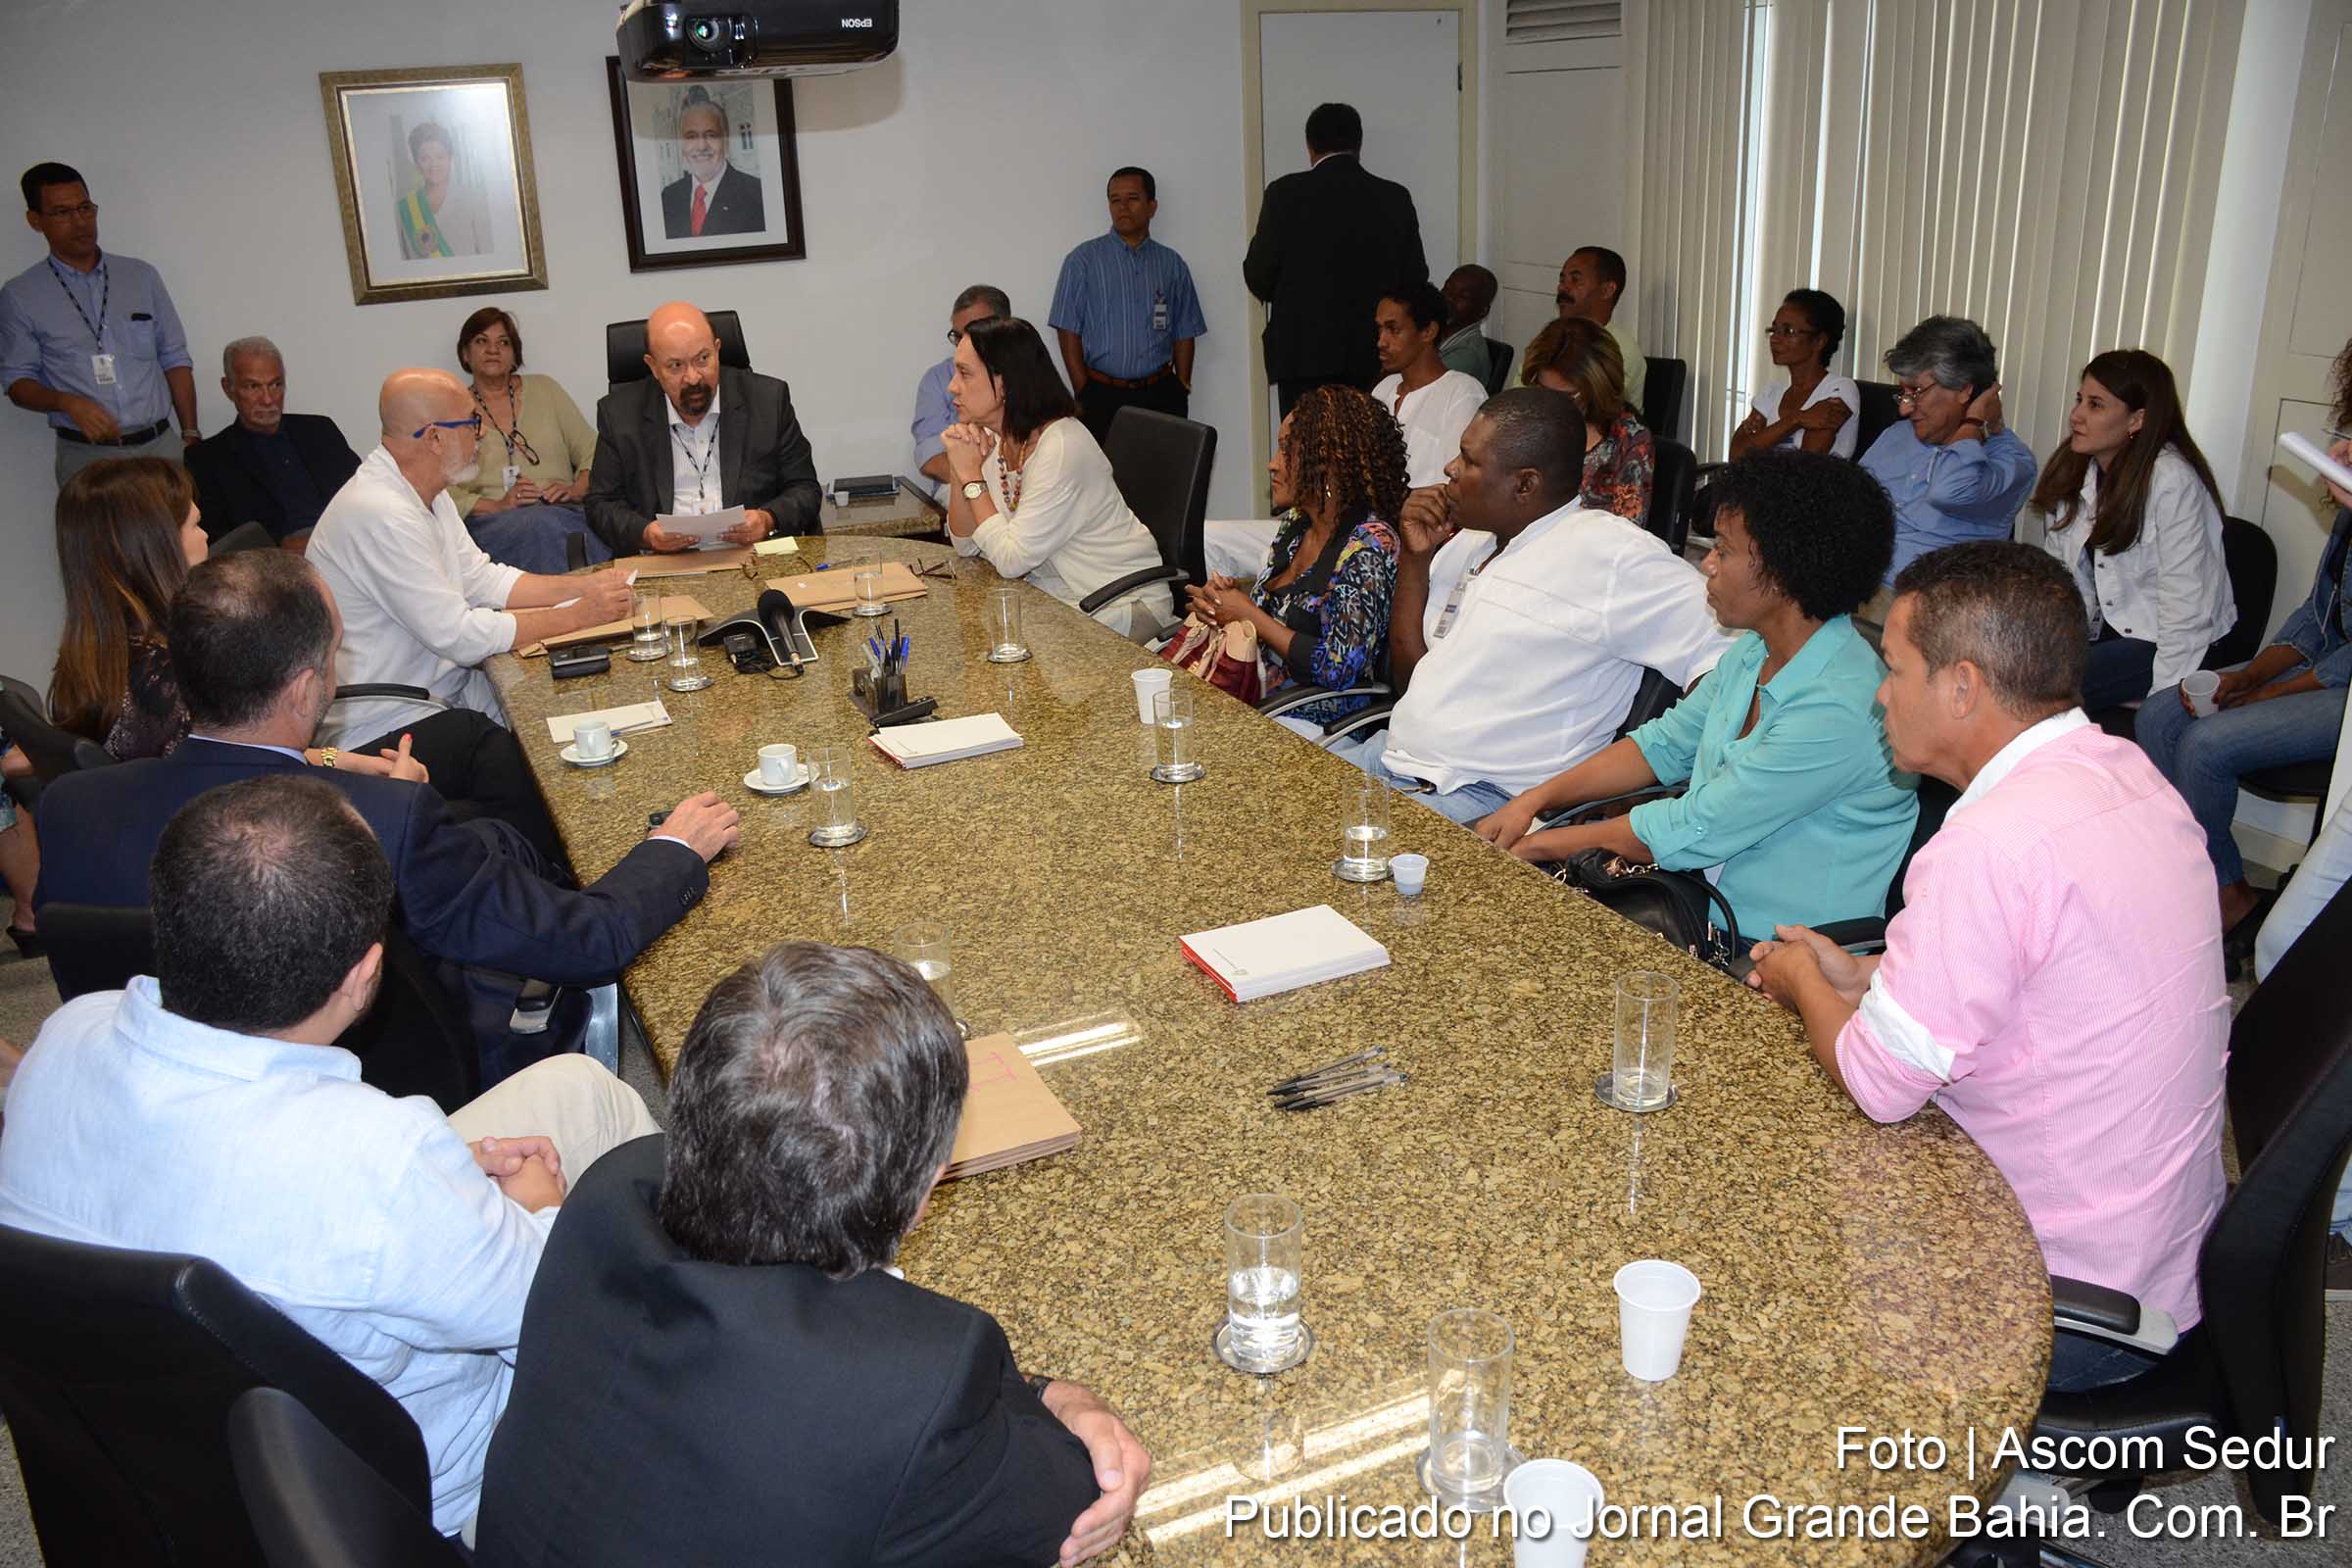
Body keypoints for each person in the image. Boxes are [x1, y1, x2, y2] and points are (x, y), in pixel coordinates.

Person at [0, 771, 664, 1539]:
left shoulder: (70, 1032)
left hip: (164, 1450)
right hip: (425, 1493)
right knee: (604, 1245)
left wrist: (437, 1187)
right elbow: (555, 1308)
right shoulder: (374, 1158)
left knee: (582, 1091)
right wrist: (543, 1206)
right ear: (363, 976)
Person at [474, 942, 1148, 1567]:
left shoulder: (614, 1190)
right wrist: (1067, 1399)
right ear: (926, 1184)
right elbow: (1071, 1499)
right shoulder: (911, 1387)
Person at [1747, 542, 2228, 1394]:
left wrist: (1800, 980)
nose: (1879, 692)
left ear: (1961, 686)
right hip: (2164, 1264)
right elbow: (2030, 977)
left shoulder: (1989, 841)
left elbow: (1879, 1082)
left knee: (1759, 1249)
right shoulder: (2128, 777)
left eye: (1892, 668)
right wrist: (1864, 977)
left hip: (2052, 1299)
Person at [33, 550, 740, 1083]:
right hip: (379, 1102)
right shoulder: (377, 822)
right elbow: (585, 941)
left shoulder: (69, 808)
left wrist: (324, 765)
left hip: (149, 1090)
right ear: (310, 687)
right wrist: (675, 845)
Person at [1475, 450, 1916, 935]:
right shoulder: (1754, 651)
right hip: (1695, 910)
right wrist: (1531, 803)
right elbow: (1662, 747)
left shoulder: (1840, 705)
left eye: (1723, 551)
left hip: (1779, 955)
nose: (1707, 564)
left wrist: (1540, 843)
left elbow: (1693, 828)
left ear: (1784, 569)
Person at [1329, 388, 1729, 824]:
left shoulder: (1610, 554)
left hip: (1485, 799)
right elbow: (1410, 682)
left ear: (1524, 484)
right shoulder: (1469, 542)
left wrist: (1654, 785)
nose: (1450, 469)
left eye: (1468, 460)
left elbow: (1730, 658)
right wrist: (1414, 559)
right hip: (1390, 761)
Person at [308, 368, 635, 751]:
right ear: (434, 437)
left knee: (566, 714)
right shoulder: (379, 511)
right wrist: (577, 616)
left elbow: (482, 580)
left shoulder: (428, 492)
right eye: (472, 422)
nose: (481, 434)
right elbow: (458, 635)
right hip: (391, 721)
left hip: (444, 690)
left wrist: (583, 586)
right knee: (540, 759)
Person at [2136, 416, 2352, 945]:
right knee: (2161, 714)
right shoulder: (2348, 521)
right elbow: (2317, 617)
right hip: (2325, 669)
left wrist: (2264, 693)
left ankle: (2218, 893)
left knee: (2208, 743)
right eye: (2342, 436)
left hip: (2347, 693)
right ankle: (2222, 882)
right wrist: (2251, 675)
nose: (2341, 452)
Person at [1185, 386, 1405, 735]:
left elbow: (1339, 667)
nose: (1273, 463)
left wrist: (1248, 613)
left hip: (1311, 723)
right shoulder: (1296, 524)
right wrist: (1224, 605)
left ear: (1329, 463)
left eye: (1287, 449)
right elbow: (1260, 616)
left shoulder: (1370, 545)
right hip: (1256, 698)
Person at [942, 318, 1172, 640]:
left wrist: (970, 477)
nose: (953, 386)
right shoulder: (1000, 439)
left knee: (993, 648)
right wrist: (959, 466)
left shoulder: (1061, 446)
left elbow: (1011, 560)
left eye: (965, 373)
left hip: (1120, 604)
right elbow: (966, 544)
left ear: (1006, 383)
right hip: (1061, 600)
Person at [2029, 349, 2233, 710]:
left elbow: (2186, 607)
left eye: (2095, 405)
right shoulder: (2075, 468)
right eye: (2079, 400)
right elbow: (2059, 576)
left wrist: (2163, 703)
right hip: (2100, 632)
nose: (2076, 415)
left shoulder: (2172, 481)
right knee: (2006, 667)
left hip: (2162, 642)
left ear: (2137, 419)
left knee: (2033, 692)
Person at [2, 162, 198, 483]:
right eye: (62, 213)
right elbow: (17, 382)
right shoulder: (21, 295)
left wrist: (189, 431)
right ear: (35, 221)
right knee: (103, 536)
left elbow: (174, 358)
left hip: (159, 448)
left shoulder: (140, 277)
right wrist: (65, 401)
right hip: (87, 458)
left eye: (85, 208)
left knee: (178, 534)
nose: (79, 222)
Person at [584, 301, 823, 558]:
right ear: (653, 366)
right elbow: (600, 505)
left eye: (702, 359)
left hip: (753, 559)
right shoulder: (620, 415)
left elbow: (805, 489)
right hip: (664, 565)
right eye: (676, 366)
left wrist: (767, 519)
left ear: (717, 350)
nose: (693, 378)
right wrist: (646, 534)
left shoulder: (767, 400)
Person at [1244, 103, 1427, 416]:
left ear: (1309, 146)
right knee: (1369, 451)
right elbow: (1415, 279)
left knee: (1306, 453)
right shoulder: (1394, 197)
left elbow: (1259, 275)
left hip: (1301, 355)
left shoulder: (1284, 193)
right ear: (1358, 144)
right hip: (1376, 354)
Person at [1858, 316, 2037, 592]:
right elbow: (1849, 503)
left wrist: (1974, 424)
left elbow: (1949, 492)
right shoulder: (1899, 434)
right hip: (1856, 588)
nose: (1905, 409)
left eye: (1915, 392)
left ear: (1964, 389)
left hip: (1924, 610)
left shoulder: (2011, 461)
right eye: (1903, 394)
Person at [444, 308, 609, 576]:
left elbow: (595, 450)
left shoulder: (546, 390)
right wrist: (498, 505)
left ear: (515, 354)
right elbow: (443, 489)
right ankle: (566, 600)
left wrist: (577, 488)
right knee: (538, 525)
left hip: (561, 513)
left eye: (503, 342)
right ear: (465, 354)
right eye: (482, 341)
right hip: (493, 525)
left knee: (552, 523)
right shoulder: (453, 410)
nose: (493, 349)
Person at [1050, 167, 1207, 446]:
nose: (1122, 207)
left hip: (1160, 394)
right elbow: (1067, 328)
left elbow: (1185, 329)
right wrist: (1082, 388)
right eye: (1115, 200)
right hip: (1100, 394)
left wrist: (1181, 386)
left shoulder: (1172, 264)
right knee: (1104, 484)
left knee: (1165, 481)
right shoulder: (1083, 261)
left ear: (1152, 206)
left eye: (1132, 198)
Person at [183, 335, 362, 550]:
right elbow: (218, 539)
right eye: (253, 387)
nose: (268, 399)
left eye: (276, 384)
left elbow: (363, 493)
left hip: (345, 546)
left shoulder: (320, 430)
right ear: (228, 388)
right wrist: (281, 548)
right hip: (276, 565)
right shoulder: (207, 459)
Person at [1520, 316, 1654, 522]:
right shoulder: (1528, 423)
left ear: (1597, 388)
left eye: (1567, 396)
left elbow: (1627, 534)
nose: (1552, 404)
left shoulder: (1629, 440)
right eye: (1543, 390)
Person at [1370, 280, 1487, 490]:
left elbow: (1460, 484)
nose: (1381, 341)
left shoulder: (1463, 393)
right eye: (1379, 329)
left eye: (1393, 330)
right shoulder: (1384, 388)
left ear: (1428, 332)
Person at [1729, 289, 1859, 461]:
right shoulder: (1772, 392)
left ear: (1819, 341)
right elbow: (1736, 457)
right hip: (1759, 485)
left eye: (1788, 331)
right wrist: (1797, 419)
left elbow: (1805, 464)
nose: (1774, 338)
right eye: (1773, 330)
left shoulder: (1839, 389)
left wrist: (1762, 439)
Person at [914, 284, 1009, 496]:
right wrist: (979, 477)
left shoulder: (1027, 374)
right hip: (958, 482)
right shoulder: (937, 379)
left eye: (973, 334)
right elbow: (930, 460)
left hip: (1014, 480)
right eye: (957, 336)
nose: (962, 344)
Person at [660, 87, 764, 239]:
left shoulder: (755, 195)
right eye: (691, 137)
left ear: (726, 140)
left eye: (711, 135)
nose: (701, 146)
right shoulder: (669, 197)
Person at [1555, 246, 1645, 415]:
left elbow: (1589, 416)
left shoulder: (1620, 350)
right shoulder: (1551, 339)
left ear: (1607, 290)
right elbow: (1520, 394)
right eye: (1562, 280)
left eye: (1575, 280)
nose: (1563, 288)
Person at [396, 122, 490, 260]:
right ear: (416, 163)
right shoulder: (404, 209)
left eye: (440, 157)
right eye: (425, 159)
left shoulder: (474, 200)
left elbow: (488, 258)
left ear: (450, 158)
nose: (434, 165)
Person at [1438, 264, 1498, 384]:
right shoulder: (1435, 332)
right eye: (1447, 289)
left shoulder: (1467, 355)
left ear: (1482, 311)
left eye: (1463, 297)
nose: (1449, 298)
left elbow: (1423, 386)